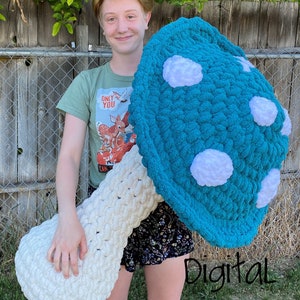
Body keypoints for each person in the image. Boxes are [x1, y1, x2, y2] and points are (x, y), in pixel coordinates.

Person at [47, 0, 194, 299]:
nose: (122, 26)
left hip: (163, 208)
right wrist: (67, 218)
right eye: (111, 18)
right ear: (102, 25)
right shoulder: (87, 83)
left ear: (146, 18)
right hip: (106, 210)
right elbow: (69, 157)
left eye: (130, 16)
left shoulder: (170, 81)